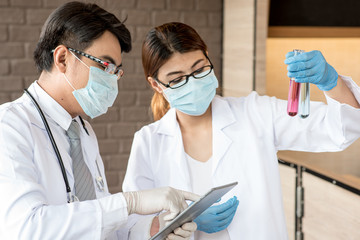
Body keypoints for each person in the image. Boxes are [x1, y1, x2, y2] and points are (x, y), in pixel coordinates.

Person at [122, 22, 360, 240]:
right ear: (155, 84)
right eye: (176, 80)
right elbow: (132, 226)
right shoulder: (149, 142)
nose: (192, 83)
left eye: (199, 70)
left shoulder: (256, 114)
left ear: (208, 57)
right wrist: (182, 221)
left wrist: (331, 81)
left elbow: (341, 130)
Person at [0, 4, 199, 240]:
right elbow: (25, 229)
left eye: (117, 71)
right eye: (106, 66)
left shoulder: (83, 133)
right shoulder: (10, 126)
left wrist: (152, 229)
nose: (113, 80)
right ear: (62, 58)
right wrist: (129, 203)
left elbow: (101, 226)